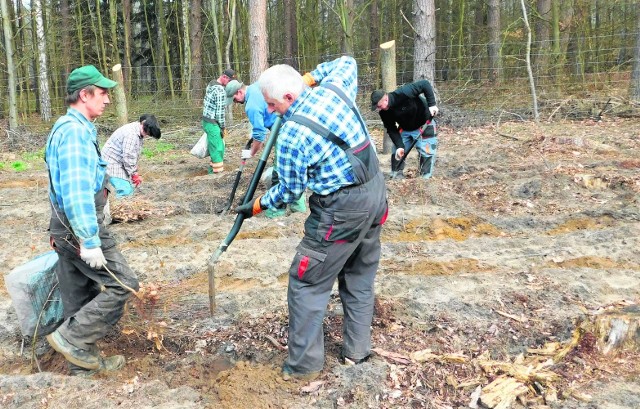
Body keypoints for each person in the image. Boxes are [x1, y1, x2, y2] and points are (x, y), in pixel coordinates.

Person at [235, 56, 388, 381]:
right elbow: (346, 62)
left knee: (306, 281)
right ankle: (356, 354)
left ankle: (304, 366)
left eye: (273, 106)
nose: (272, 113)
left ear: (289, 97)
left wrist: (257, 205)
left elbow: (289, 193)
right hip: (375, 195)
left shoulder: (292, 136)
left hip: (341, 211)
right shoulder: (334, 89)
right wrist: (307, 79)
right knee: (359, 274)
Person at [44, 65, 140, 377]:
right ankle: (70, 338)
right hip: (79, 229)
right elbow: (74, 192)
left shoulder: (75, 128)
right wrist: (89, 239)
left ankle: (81, 367)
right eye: (102, 93)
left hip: (65, 230)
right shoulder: (73, 134)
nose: (108, 100)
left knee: (79, 294)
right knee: (123, 284)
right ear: (84, 95)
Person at [229, 81, 307, 218]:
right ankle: (298, 208)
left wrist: (251, 152)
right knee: (294, 167)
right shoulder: (256, 87)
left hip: (283, 130)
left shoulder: (251, 106)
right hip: (294, 125)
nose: (235, 102)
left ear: (239, 92)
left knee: (281, 171)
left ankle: (276, 211)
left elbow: (259, 134)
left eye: (234, 99)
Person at [371, 80, 439, 179]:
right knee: (397, 153)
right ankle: (396, 175)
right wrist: (399, 146)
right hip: (405, 128)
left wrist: (432, 104)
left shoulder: (403, 93)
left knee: (426, 152)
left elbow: (424, 84)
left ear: (385, 99)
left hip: (424, 124)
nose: (378, 108)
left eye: (379, 106)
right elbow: (391, 129)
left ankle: (425, 177)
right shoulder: (384, 112)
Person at [102, 114, 162, 198]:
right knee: (126, 191)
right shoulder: (131, 134)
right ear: (143, 123)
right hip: (111, 163)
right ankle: (121, 209)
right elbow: (128, 156)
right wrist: (134, 175)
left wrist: (134, 172)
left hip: (119, 162)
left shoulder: (137, 129)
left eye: (148, 134)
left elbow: (132, 155)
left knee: (129, 188)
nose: (145, 135)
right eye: (145, 132)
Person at [202, 68, 236, 174]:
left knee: (214, 146)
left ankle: (212, 170)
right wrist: (222, 127)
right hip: (213, 122)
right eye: (230, 81)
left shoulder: (211, 84)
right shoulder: (220, 90)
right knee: (218, 148)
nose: (230, 84)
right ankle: (216, 174)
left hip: (206, 121)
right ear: (224, 77)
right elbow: (220, 112)